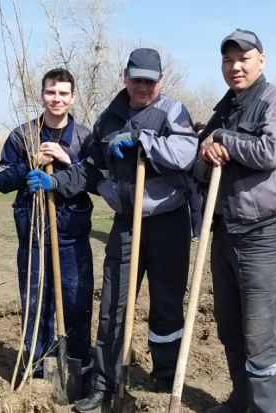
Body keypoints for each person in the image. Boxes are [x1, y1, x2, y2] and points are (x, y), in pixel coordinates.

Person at [27, 48, 198, 412]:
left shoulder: (171, 110)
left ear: (160, 81)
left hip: (168, 220)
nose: (142, 86)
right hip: (127, 224)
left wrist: (142, 142)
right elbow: (92, 167)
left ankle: (165, 376)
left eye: (150, 81)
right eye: (136, 78)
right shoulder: (109, 118)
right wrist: (57, 182)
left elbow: (185, 151)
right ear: (125, 76)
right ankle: (104, 385)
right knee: (113, 306)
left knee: (167, 304)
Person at [193, 28, 276, 413]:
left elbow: (269, 151)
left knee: (259, 333)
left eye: (243, 58)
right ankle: (240, 401)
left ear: (262, 60)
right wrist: (206, 156)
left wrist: (224, 138)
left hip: (262, 233)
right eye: (228, 59)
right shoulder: (224, 107)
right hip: (223, 229)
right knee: (228, 325)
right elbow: (197, 161)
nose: (235, 66)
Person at [0, 68, 95, 384]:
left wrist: (68, 161)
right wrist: (29, 164)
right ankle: (36, 371)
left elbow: (98, 179)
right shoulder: (22, 136)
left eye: (64, 93)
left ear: (73, 97)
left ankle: (77, 371)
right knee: (36, 305)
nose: (57, 99)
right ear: (42, 94)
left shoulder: (84, 138)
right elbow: (1, 181)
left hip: (72, 239)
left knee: (77, 306)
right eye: (51, 92)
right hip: (34, 238)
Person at [188, 122, 209, 241]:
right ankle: (197, 234)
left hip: (206, 178)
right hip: (192, 179)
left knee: (207, 204)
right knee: (196, 206)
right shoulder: (191, 148)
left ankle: (206, 229)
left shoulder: (209, 147)